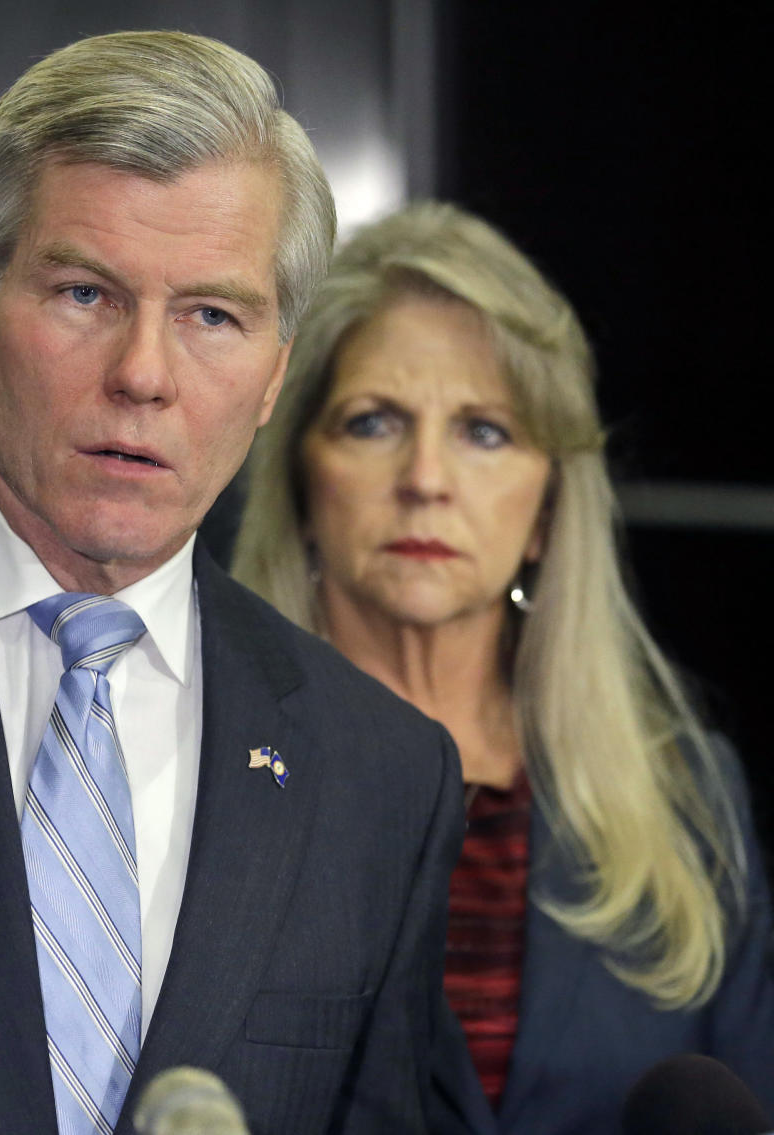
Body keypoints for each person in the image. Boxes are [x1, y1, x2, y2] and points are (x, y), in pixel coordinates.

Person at [0, 36, 470, 1135]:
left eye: (213, 315)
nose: (144, 375)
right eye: (86, 293)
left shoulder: (383, 779)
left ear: (273, 376)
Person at [233, 200, 774, 1134]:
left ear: (548, 509)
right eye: (373, 422)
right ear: (298, 476)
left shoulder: (688, 798)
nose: (427, 478)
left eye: (485, 431)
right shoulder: (194, 772)